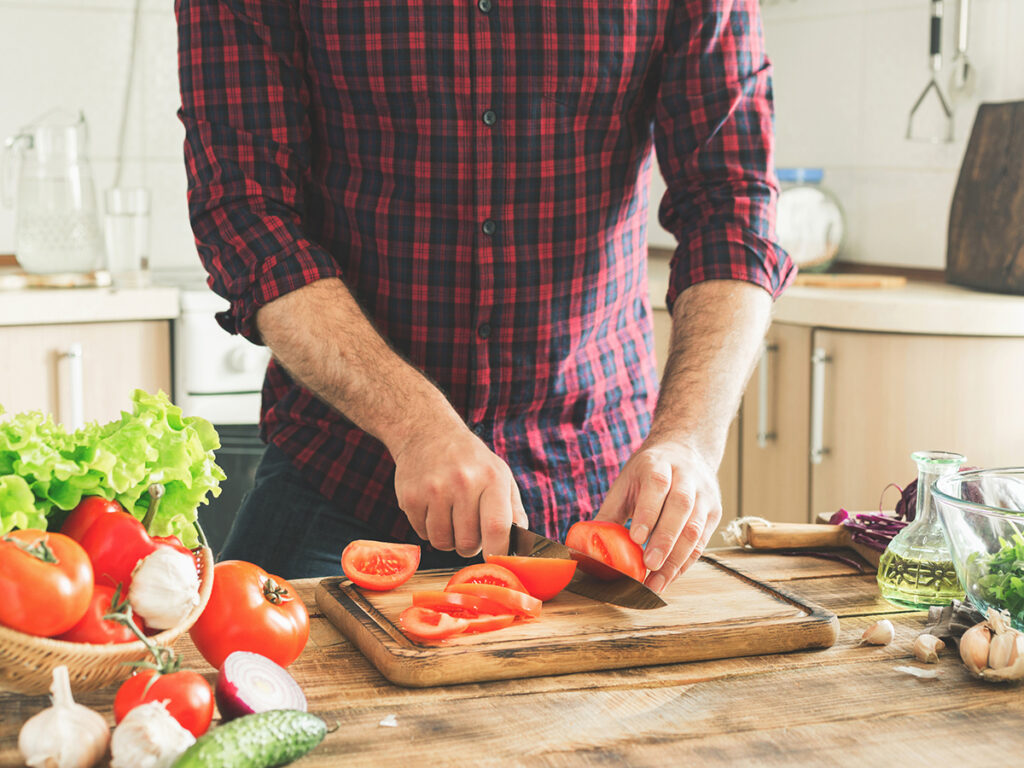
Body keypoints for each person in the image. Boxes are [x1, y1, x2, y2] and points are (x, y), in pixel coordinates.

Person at [175, 0, 794, 590]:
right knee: (250, 690)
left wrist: (687, 439)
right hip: (345, 471)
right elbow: (246, 211)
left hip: (599, 488)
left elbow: (731, 205)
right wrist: (415, 425)